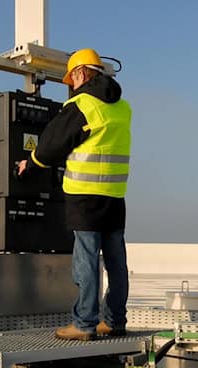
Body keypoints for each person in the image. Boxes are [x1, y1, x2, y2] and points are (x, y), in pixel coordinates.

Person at [17, 48, 131, 341]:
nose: (71, 85)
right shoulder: (122, 107)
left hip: (85, 197)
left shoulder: (82, 104)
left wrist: (31, 163)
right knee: (116, 261)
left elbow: (52, 144)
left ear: (80, 74)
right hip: (114, 196)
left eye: (71, 79)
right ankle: (115, 320)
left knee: (87, 260)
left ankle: (83, 324)